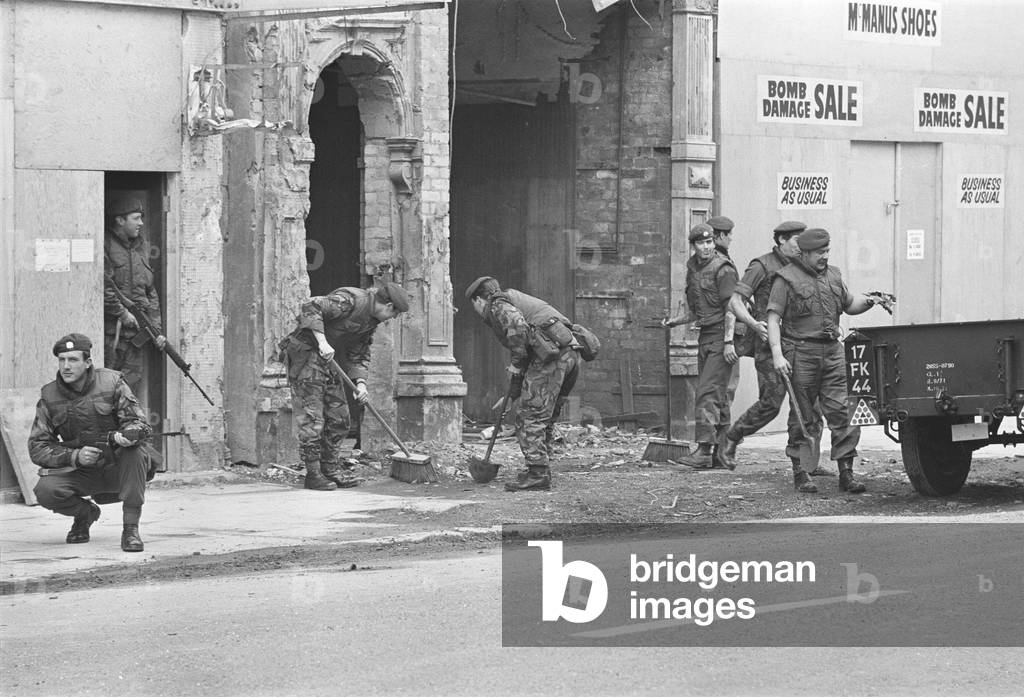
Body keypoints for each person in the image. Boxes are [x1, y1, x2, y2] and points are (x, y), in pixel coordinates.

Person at [767, 228, 885, 493]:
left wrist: (871, 301)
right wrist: (777, 354)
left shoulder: (834, 275)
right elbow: (773, 319)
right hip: (801, 353)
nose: (825, 256)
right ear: (805, 253)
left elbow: (849, 303)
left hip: (833, 352)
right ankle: (801, 472)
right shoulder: (785, 279)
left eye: (827, 251)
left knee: (844, 411)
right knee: (803, 415)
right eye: (820, 253)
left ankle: (846, 473)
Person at [278, 282, 409, 491]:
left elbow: (359, 354)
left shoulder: (370, 322)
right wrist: (322, 341)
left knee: (340, 417)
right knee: (312, 418)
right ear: (389, 306)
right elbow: (310, 306)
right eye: (394, 315)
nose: (391, 319)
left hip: (330, 361)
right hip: (305, 355)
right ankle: (313, 474)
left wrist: (361, 384)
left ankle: (330, 469)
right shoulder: (351, 300)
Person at [30, 334, 153, 552]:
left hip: (117, 467)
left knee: (135, 452)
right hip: (82, 470)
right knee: (46, 490)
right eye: (62, 359)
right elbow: (38, 447)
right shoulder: (49, 396)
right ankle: (85, 514)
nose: (66, 366)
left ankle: (131, 529)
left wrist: (126, 436)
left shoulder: (112, 382)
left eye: (73, 360)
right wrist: (74, 456)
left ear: (87, 363)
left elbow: (139, 423)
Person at [466, 277, 581, 492]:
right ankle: (541, 468)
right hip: (570, 357)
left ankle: (537, 474)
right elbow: (528, 348)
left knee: (531, 415)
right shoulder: (512, 300)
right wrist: (512, 395)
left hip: (552, 358)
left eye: (474, 306)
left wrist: (516, 364)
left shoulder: (498, 305)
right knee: (545, 414)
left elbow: (519, 331)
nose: (478, 311)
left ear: (479, 300)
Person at [717, 220, 811, 469]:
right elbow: (735, 301)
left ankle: (802, 462)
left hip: (800, 344)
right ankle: (732, 436)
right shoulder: (762, 265)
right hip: (769, 345)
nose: (802, 246)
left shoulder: (803, 266)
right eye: (796, 241)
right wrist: (752, 323)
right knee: (771, 403)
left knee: (805, 402)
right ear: (782, 240)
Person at [664, 222, 739, 469]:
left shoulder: (723, 268)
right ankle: (723, 451)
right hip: (705, 335)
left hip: (721, 337)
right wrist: (675, 321)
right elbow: (697, 309)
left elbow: (733, 308)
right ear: (693, 246)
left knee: (707, 392)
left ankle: (705, 451)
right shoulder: (693, 269)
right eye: (701, 243)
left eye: (709, 242)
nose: (706, 247)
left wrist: (729, 342)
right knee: (717, 395)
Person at [103, 196, 166, 407]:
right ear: (120, 220)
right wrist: (122, 314)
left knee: (130, 396)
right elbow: (104, 286)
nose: (141, 223)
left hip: (137, 336)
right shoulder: (106, 244)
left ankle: (129, 436)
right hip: (113, 336)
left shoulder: (141, 248)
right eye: (136, 218)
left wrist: (156, 330)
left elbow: (150, 291)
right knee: (106, 391)